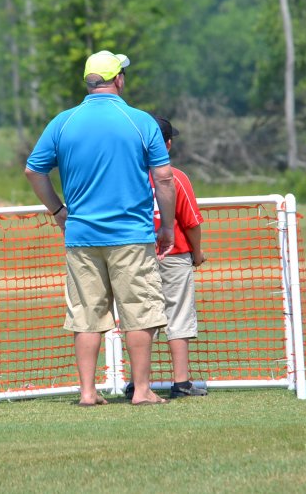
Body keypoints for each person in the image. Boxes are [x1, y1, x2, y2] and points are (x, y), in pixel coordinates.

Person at [25, 50, 177, 406]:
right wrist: (167, 227)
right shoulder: (140, 121)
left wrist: (58, 210)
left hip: (81, 236)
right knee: (139, 312)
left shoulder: (62, 122)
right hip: (131, 235)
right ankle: (142, 391)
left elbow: (34, 170)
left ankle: (88, 392)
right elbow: (164, 178)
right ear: (118, 79)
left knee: (85, 315)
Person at [124, 116, 207, 401]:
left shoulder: (127, 177)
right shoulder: (176, 177)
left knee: (140, 317)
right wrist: (198, 252)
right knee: (178, 314)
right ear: (167, 145)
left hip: (135, 254)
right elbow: (192, 222)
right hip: (175, 253)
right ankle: (181, 382)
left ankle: (137, 383)